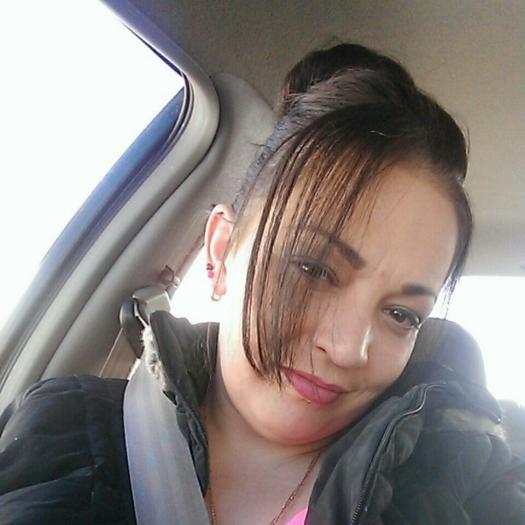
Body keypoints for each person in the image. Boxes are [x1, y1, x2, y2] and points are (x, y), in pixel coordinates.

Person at [1, 43, 524, 524]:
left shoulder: (458, 480)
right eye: (314, 269)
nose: (349, 349)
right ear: (221, 251)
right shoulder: (65, 431)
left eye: (401, 315)